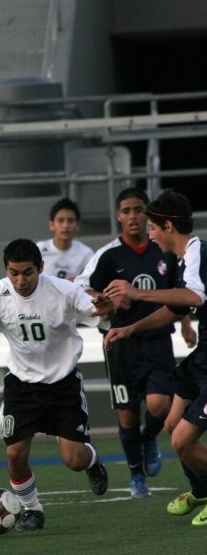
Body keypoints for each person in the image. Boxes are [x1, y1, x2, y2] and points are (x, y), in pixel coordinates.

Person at [0, 238, 111, 531]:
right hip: (22, 386)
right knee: (14, 454)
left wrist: (106, 305)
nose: (20, 280)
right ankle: (33, 510)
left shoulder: (62, 291)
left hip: (63, 384)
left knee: (74, 460)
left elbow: (95, 307)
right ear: (6, 270)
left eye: (27, 272)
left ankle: (93, 461)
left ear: (40, 267)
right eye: (13, 272)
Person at [74, 187, 197, 499]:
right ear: (118, 216)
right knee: (128, 413)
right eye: (126, 211)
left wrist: (183, 324)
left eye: (139, 210)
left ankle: (148, 440)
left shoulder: (169, 251)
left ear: (150, 216)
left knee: (160, 405)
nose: (133, 217)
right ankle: (135, 474)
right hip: (121, 345)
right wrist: (103, 299)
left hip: (157, 341)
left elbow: (182, 293)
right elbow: (79, 288)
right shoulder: (107, 255)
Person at [103, 189, 207, 525]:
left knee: (182, 440)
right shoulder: (183, 259)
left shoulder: (196, 253)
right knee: (172, 425)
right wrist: (132, 328)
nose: (149, 234)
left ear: (167, 226)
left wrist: (136, 292)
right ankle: (201, 492)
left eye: (152, 226)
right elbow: (178, 307)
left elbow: (193, 296)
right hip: (203, 356)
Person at [0, 198, 95, 467]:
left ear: (77, 225)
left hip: (60, 326)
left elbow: (88, 289)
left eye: (71, 220)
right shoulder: (37, 251)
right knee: (25, 381)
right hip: (29, 324)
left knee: (47, 380)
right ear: (51, 224)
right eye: (61, 220)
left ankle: (71, 444)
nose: (66, 226)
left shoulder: (86, 254)